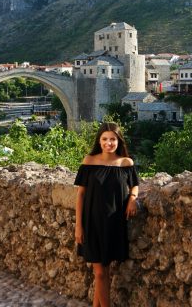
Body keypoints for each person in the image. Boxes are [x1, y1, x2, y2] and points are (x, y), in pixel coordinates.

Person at [74, 122, 139, 307]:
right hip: (92, 223)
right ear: (99, 141)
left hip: (114, 223)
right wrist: (78, 226)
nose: (108, 143)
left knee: (104, 271)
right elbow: (80, 195)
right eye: (104, 139)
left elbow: (135, 184)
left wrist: (133, 198)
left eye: (112, 139)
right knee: (100, 273)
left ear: (119, 141)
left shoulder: (126, 163)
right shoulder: (89, 161)